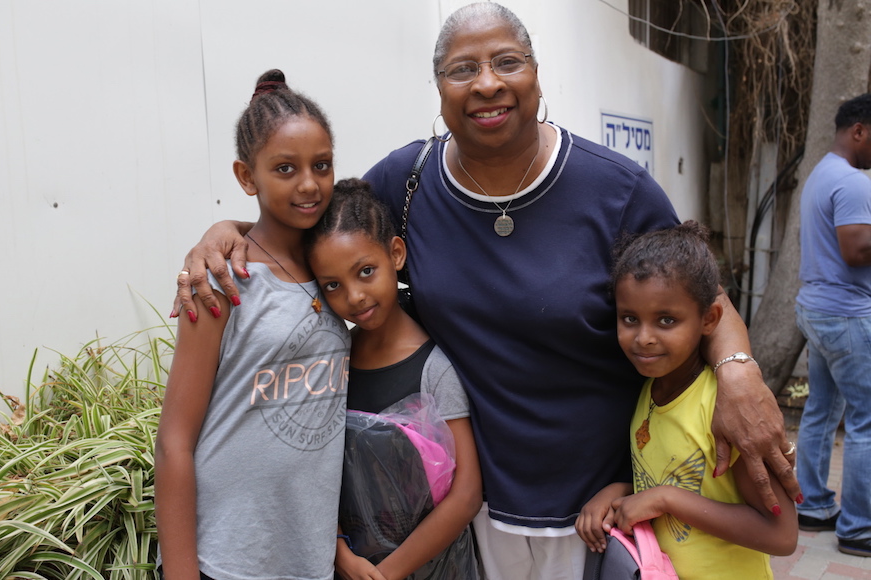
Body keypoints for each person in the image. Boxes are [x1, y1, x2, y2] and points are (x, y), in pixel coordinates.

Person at [172, 4, 799, 577]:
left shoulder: (616, 191)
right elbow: (318, 224)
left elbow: (702, 295)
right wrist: (223, 232)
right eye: (460, 69)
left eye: (508, 62)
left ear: (536, 75)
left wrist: (740, 374)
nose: (487, 83)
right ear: (440, 91)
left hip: (593, 511)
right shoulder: (406, 179)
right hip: (469, 515)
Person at [154, 70, 351, 580]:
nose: (309, 184)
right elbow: (174, 440)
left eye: (322, 165)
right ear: (247, 177)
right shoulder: (222, 280)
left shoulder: (339, 277)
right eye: (285, 168)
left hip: (308, 555)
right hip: (226, 556)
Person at [576, 222, 797, 579]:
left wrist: (665, 499)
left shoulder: (724, 411)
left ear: (708, 319)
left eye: (666, 320)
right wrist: (618, 492)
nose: (643, 338)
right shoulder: (651, 388)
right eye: (629, 318)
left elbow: (782, 535)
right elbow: (680, 478)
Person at [303, 177, 483, 580]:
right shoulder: (333, 361)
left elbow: (467, 494)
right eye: (333, 285)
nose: (355, 297)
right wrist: (342, 555)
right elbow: (315, 470)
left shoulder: (434, 369)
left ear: (395, 254)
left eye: (366, 271)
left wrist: (388, 573)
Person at [795, 93, 871, 557]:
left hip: (818, 310)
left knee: (821, 411)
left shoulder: (821, 173)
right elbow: (856, 250)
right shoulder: (853, 182)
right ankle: (860, 527)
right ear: (859, 130)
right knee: (867, 420)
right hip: (846, 316)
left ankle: (813, 505)